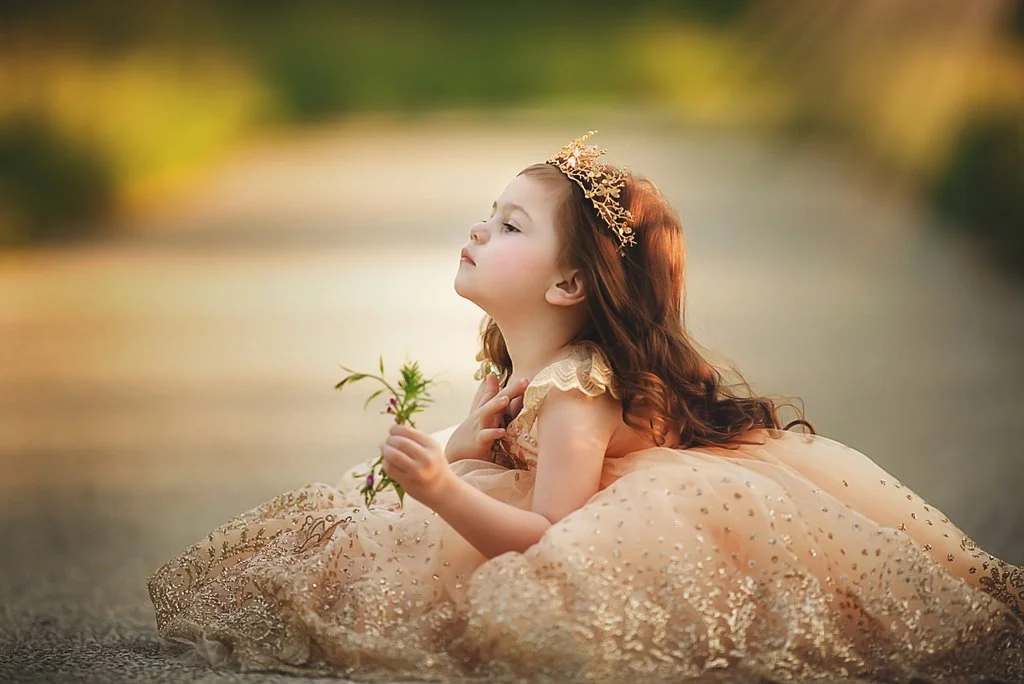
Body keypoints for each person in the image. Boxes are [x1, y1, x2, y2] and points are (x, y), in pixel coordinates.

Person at [147, 131, 1024, 682]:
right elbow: (494, 462)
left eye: (513, 226)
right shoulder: (521, 370)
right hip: (542, 494)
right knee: (339, 532)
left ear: (570, 282)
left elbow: (558, 549)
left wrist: (447, 494)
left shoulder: (575, 394)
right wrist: (457, 445)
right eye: (490, 215)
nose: (482, 230)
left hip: (616, 528)